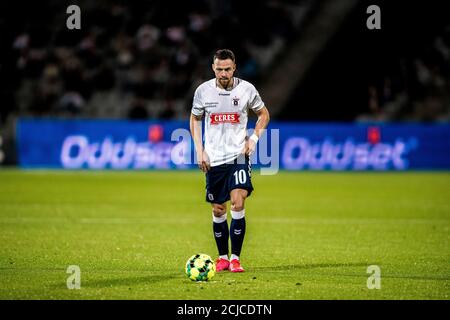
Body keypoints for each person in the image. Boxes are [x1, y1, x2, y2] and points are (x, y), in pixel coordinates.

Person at [190, 49, 270, 272]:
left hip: (238, 156)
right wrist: (199, 150)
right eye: (219, 69)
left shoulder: (246, 89)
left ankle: (235, 258)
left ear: (234, 67)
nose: (223, 73)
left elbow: (264, 115)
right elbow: (195, 118)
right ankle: (222, 257)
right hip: (213, 158)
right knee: (218, 209)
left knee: (238, 202)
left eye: (227, 69)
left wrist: (253, 139)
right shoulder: (203, 91)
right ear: (213, 68)